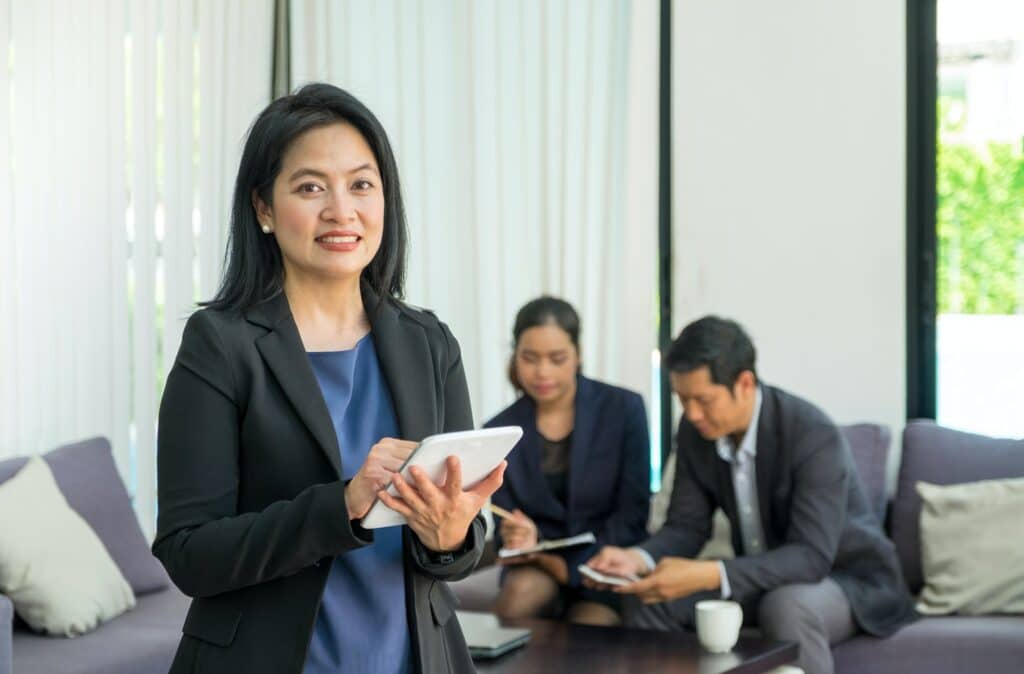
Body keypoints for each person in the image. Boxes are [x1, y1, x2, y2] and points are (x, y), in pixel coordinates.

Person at [152, 83, 505, 674]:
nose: (342, 210)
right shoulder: (220, 344)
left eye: (361, 185)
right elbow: (188, 553)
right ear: (264, 208)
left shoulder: (429, 342)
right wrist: (341, 507)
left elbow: (459, 545)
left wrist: (450, 535)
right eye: (311, 187)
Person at [585, 316, 916, 674]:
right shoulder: (697, 433)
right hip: (761, 577)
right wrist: (639, 559)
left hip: (848, 579)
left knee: (787, 605)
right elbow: (686, 527)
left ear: (744, 383)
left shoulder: (811, 433)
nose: (692, 413)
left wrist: (708, 574)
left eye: (703, 400)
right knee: (648, 602)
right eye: (683, 399)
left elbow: (811, 557)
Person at [484, 296, 650, 626]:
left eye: (557, 358)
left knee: (591, 630)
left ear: (578, 354)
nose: (543, 372)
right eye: (530, 358)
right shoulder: (497, 431)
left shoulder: (624, 410)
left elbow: (632, 514)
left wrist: (572, 568)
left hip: (604, 562)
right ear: (515, 357)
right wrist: (517, 536)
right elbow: (504, 522)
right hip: (536, 563)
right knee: (517, 600)